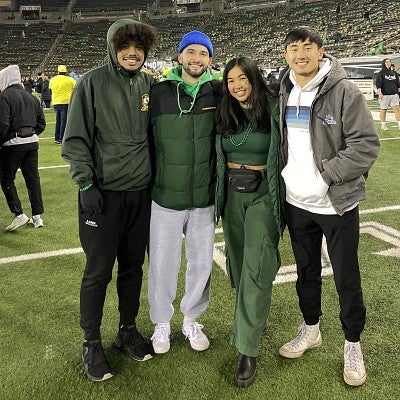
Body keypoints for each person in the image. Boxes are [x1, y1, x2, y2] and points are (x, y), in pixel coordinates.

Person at [279, 26, 380, 387]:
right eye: (293, 48)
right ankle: (311, 330)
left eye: (307, 47)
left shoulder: (344, 91)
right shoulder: (285, 88)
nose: (300, 54)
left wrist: (325, 178)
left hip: (334, 203)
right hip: (295, 203)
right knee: (306, 273)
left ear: (321, 51)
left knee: (345, 277)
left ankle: (353, 343)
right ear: (286, 54)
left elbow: (366, 145)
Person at [62, 18, 157, 382]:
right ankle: (91, 342)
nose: (132, 54)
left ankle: (127, 330)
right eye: (125, 47)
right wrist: (86, 184)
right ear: (113, 49)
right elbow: (75, 139)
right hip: (101, 196)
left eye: (138, 47)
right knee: (98, 272)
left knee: (133, 268)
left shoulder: (149, 84)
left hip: (140, 194)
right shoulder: (90, 83)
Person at [148, 31, 222, 355]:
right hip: (165, 196)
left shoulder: (220, 93)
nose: (196, 58)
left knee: (202, 264)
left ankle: (191, 319)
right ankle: (161, 323)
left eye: (202, 53)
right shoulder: (159, 92)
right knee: (162, 264)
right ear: (179, 57)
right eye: (189, 51)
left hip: (204, 198)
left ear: (209, 60)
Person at [215, 57, 284, 387]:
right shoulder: (225, 111)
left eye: (243, 78)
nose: (237, 85)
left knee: (257, 266)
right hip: (232, 198)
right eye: (231, 81)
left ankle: (247, 349)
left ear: (255, 78)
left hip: (264, 195)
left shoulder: (274, 106)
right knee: (240, 267)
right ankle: (253, 320)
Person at [0, 65, 46, 231]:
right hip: (32, 143)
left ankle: (19, 214)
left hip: (12, 145)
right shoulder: (31, 97)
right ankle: (37, 217)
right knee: (33, 179)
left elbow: (3, 124)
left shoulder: (5, 96)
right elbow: (41, 124)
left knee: (6, 179)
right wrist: (31, 135)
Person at [49, 64, 75, 144]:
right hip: (66, 101)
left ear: (58, 71)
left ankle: (57, 138)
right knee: (64, 120)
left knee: (58, 120)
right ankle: (62, 138)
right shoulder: (70, 79)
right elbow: (75, 88)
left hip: (56, 101)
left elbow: (50, 90)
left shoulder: (53, 79)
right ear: (65, 71)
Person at [375, 58, 400, 131]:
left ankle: (399, 124)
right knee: (383, 110)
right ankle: (383, 125)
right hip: (384, 95)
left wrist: (398, 94)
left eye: (389, 62)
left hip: (394, 94)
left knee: (397, 109)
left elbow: (398, 85)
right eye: (386, 62)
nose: (388, 63)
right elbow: (378, 84)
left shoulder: (394, 73)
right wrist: (380, 93)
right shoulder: (381, 73)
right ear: (383, 63)